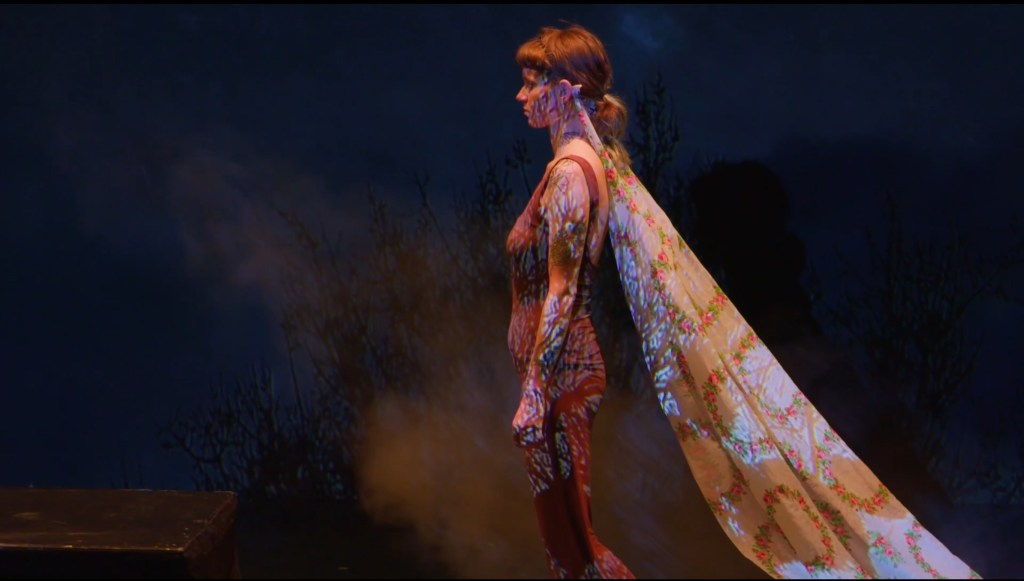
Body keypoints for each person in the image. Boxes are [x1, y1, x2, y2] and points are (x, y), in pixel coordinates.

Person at [505, 23, 982, 580]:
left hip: (561, 375)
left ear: (566, 90)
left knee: (573, 552)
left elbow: (562, 290)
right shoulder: (582, 164)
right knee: (568, 548)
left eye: (532, 83)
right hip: (558, 371)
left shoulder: (571, 172)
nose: (521, 95)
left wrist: (535, 392)